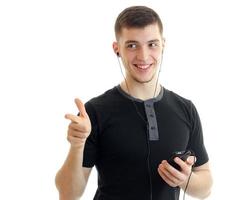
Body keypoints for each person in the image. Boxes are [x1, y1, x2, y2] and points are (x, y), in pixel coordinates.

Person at [55, 5, 213, 200]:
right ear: (117, 49)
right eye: (132, 45)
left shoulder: (186, 109)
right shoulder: (94, 112)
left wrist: (186, 179)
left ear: (163, 45)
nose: (143, 56)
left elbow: (205, 187)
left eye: (152, 44)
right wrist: (77, 145)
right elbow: (68, 194)